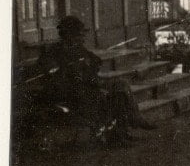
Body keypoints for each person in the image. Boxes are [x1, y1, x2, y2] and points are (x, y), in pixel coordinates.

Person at [29, 15, 155, 147]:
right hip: (70, 93)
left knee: (120, 85)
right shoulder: (54, 53)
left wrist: (88, 65)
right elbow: (54, 77)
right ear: (69, 35)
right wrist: (78, 71)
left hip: (85, 87)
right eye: (79, 35)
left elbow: (95, 61)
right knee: (110, 94)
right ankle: (124, 130)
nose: (82, 38)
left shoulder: (77, 49)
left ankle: (123, 131)